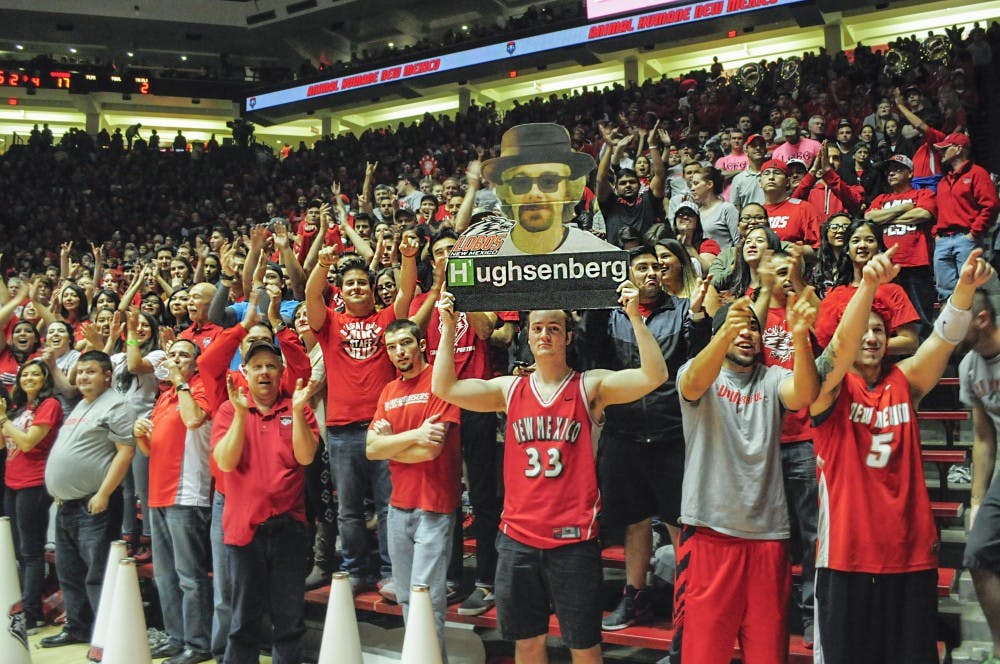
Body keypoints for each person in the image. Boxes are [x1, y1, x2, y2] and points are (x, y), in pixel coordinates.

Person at [432, 286, 669, 664]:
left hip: (573, 542)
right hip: (517, 540)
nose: (545, 335)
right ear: (527, 334)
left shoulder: (590, 386)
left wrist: (636, 318)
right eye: (538, 328)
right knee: (527, 645)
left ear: (568, 337)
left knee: (584, 647)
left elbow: (654, 375)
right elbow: (445, 387)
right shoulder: (510, 389)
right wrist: (447, 330)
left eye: (554, 329)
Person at [810, 249, 995, 663]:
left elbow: (944, 339)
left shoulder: (904, 380)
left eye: (879, 330)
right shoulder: (829, 389)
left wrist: (964, 289)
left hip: (909, 554)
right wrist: (869, 286)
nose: (872, 338)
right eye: (864, 329)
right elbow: (838, 349)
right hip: (847, 557)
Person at [670, 271, 826, 662]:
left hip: (768, 538)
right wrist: (725, 326)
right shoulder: (699, 376)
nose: (747, 333)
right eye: (738, 327)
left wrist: (801, 337)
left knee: (768, 656)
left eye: (753, 328)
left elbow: (805, 393)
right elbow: (691, 383)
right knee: (703, 655)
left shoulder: (773, 378)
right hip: (709, 535)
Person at [576, 246, 711, 631]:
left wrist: (700, 316)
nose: (652, 272)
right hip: (624, 435)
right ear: (627, 275)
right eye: (642, 267)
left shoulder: (685, 310)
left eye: (656, 266)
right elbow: (592, 358)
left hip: (672, 434)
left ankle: (692, 602)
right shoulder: (610, 316)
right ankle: (634, 597)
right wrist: (599, 307)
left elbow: (698, 362)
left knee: (679, 522)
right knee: (634, 522)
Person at [305, 238, 418, 593]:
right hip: (341, 431)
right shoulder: (331, 323)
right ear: (341, 291)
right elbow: (311, 298)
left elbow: (406, 291)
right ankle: (358, 572)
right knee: (349, 511)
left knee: (388, 507)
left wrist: (408, 256)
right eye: (350, 283)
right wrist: (322, 267)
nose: (356, 287)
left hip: (384, 429)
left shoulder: (386, 319)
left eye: (362, 283)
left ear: (371, 290)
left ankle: (389, 571)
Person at [212, 340, 318, 664]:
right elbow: (225, 462)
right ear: (245, 372)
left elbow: (306, 455)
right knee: (244, 620)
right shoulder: (230, 410)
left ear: (281, 372)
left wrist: (298, 412)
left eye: (271, 365)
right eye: (257, 366)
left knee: (289, 620)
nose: (264, 372)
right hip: (245, 532)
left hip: (288, 529)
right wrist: (242, 415)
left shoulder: (298, 407)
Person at [366, 319, 462, 657]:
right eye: (391, 347)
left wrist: (391, 442)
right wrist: (414, 436)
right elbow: (370, 449)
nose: (399, 352)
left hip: (434, 505)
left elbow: (431, 450)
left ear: (421, 344)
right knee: (406, 596)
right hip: (398, 506)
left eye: (405, 343)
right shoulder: (389, 391)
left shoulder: (440, 383)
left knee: (426, 597)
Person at [40, 350, 135, 648]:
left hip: (94, 505)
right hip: (68, 505)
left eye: (90, 372)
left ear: (108, 375)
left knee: (97, 574)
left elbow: (125, 452)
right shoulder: (83, 403)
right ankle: (79, 628)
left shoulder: (117, 405)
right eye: (80, 372)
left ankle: (107, 635)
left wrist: (104, 493)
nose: (82, 377)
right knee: (69, 574)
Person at [133, 338, 213, 664]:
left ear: (196, 362)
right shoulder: (165, 395)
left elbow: (194, 419)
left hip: (187, 494)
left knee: (189, 577)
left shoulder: (200, 387)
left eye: (184, 354)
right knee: (165, 576)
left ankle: (199, 643)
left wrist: (181, 381)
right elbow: (150, 449)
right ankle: (176, 637)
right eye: (172, 354)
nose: (176, 359)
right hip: (158, 494)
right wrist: (140, 433)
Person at [464, 123, 609, 256]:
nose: (534, 193)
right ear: (506, 192)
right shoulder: (485, 260)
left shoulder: (597, 254)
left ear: (568, 190)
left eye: (548, 182)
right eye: (521, 182)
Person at [1, 359, 63, 633]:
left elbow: (27, 442)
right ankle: (24, 608)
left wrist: (3, 420)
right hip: (11, 483)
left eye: (36, 374)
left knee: (31, 551)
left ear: (45, 379)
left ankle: (33, 614)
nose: (29, 378)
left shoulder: (50, 405)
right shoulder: (17, 409)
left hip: (34, 483)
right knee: (18, 551)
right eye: (25, 374)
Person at [962, 289, 1000, 664]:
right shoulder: (968, 367)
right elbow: (983, 437)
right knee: (977, 554)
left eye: (961, 319)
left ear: (982, 319)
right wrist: (976, 502)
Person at [865, 154, 938, 336]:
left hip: (916, 264)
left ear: (910, 173)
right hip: (887, 266)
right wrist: (903, 208)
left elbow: (922, 215)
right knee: (890, 313)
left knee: (922, 315)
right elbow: (869, 218)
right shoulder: (881, 198)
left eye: (897, 169)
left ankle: (923, 356)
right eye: (889, 170)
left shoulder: (923, 194)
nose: (891, 173)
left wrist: (886, 218)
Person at [930, 132, 999, 299]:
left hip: (966, 238)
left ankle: (972, 325)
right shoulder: (943, 181)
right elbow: (937, 210)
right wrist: (936, 233)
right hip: (943, 241)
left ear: (958, 149)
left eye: (945, 149)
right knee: (945, 292)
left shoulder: (977, 173)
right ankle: (952, 325)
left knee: (971, 290)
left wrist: (973, 233)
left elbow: (991, 205)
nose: (942, 152)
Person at [596, 122, 667, 249]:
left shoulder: (648, 200)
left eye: (632, 182)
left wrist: (652, 144)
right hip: (617, 262)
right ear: (616, 188)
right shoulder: (610, 203)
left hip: (645, 259)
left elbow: (660, 175)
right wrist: (609, 147)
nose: (628, 185)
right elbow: (601, 179)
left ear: (639, 185)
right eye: (623, 183)